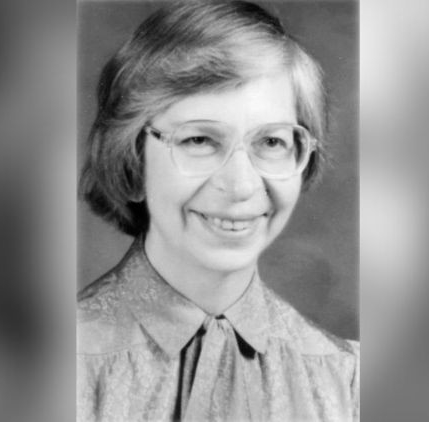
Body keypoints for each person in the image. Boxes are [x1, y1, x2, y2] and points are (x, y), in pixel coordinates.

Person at [77, 2, 359, 421]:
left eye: (272, 142)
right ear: (133, 162)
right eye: (199, 140)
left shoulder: (346, 380)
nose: (241, 186)